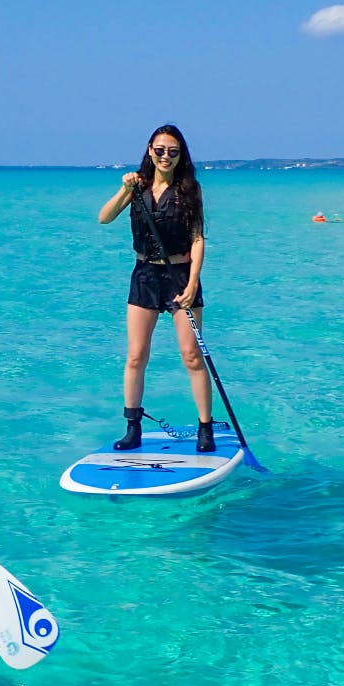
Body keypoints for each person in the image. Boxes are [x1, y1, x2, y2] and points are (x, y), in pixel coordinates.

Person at [98, 125, 213, 452]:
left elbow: (198, 239)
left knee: (191, 356)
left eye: (173, 151)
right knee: (136, 355)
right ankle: (132, 427)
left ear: (181, 155)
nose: (166, 156)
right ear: (150, 150)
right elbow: (104, 218)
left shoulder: (189, 189)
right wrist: (124, 190)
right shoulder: (138, 187)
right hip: (145, 275)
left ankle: (205, 428)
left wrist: (192, 283)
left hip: (180, 275)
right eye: (160, 150)